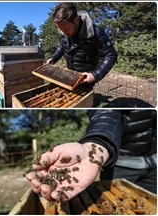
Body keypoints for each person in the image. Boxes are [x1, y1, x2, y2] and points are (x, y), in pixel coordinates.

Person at [26, 109, 157, 202]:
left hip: (155, 165)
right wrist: (97, 143)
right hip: (120, 165)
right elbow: (106, 112)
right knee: (114, 203)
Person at [46, 3, 118, 90]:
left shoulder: (96, 33)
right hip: (69, 74)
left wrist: (95, 74)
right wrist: (53, 58)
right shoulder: (64, 31)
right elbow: (63, 46)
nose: (64, 33)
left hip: (85, 78)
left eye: (66, 29)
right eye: (60, 29)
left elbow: (111, 55)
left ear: (76, 20)